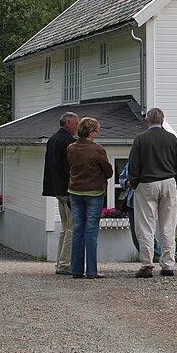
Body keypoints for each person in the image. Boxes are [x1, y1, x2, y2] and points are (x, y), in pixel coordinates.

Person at [128, 108, 177, 278]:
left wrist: (135, 182)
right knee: (168, 225)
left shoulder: (140, 139)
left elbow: (133, 165)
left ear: (147, 121)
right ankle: (168, 265)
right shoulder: (171, 138)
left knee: (146, 225)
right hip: (168, 181)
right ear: (162, 120)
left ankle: (147, 265)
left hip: (147, 183)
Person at [67, 116, 113, 279]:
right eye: (96, 131)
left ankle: (76, 269)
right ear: (91, 132)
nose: (97, 133)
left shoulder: (71, 148)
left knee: (78, 229)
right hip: (94, 192)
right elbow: (108, 172)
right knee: (91, 230)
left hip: (75, 191)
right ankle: (92, 270)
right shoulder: (98, 149)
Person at [42, 111, 78, 275]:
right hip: (68, 190)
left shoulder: (52, 140)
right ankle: (64, 264)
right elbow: (68, 168)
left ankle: (60, 262)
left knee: (64, 227)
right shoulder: (68, 142)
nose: (77, 127)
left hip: (57, 190)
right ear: (68, 123)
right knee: (71, 228)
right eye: (76, 124)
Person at [119, 162, 161, 261]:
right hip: (132, 202)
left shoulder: (151, 162)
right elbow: (121, 179)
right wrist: (127, 183)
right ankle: (145, 259)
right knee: (136, 235)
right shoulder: (131, 164)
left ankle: (159, 256)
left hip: (147, 201)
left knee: (148, 232)